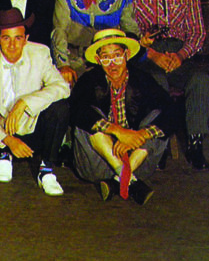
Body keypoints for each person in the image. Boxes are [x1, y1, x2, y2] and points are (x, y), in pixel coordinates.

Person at [127, 0, 209, 170]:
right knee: (155, 82)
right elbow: (128, 32)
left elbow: (197, 32)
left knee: (200, 80)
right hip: (147, 55)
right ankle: (157, 142)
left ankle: (195, 143)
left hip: (178, 54)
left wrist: (180, 55)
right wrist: (151, 53)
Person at [0, 9, 70, 196]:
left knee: (61, 108)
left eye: (18, 38)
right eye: (7, 38)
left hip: (33, 127)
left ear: (26, 38)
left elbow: (62, 87)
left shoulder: (40, 53)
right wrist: (8, 140)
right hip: (2, 130)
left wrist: (24, 103)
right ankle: (5, 154)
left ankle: (46, 168)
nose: (13, 45)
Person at [70, 29, 175, 205]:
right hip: (98, 163)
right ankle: (126, 176)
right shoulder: (88, 80)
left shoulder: (143, 79)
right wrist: (118, 132)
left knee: (159, 117)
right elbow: (76, 111)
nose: (113, 64)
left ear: (126, 55)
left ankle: (119, 180)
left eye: (117, 56)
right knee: (87, 117)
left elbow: (172, 111)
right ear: (97, 60)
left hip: (138, 159)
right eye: (106, 58)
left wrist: (141, 135)